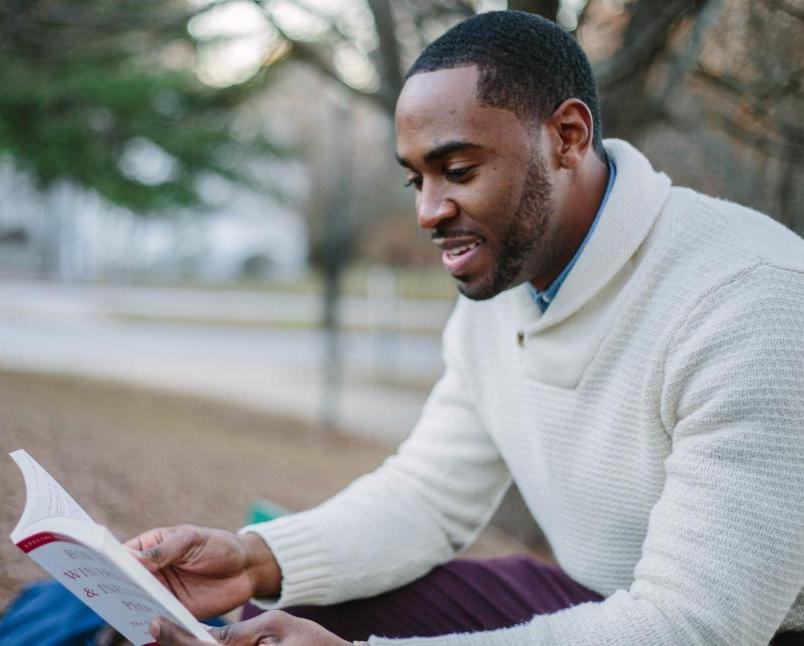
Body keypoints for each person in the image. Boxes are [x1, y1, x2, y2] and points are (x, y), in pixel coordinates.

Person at [128, 10, 804, 646]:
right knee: (290, 611)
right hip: (600, 596)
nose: (428, 211)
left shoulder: (751, 302)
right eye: (415, 180)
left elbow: (695, 628)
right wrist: (253, 559)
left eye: (456, 170)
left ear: (567, 136)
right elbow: (427, 496)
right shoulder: (508, 285)